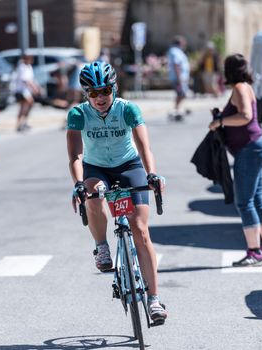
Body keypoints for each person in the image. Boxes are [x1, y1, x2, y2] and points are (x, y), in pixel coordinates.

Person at [66, 60, 168, 324]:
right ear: (85, 94)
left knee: (140, 230)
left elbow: (144, 147)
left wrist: (152, 174)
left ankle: (154, 299)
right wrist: (78, 183)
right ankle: (101, 246)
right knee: (94, 192)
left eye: (105, 91)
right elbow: (76, 155)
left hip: (128, 166)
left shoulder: (128, 110)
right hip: (96, 168)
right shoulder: (78, 114)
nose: (100, 98)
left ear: (114, 88)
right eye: (93, 93)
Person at [209, 54, 262, 266]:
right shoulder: (246, 87)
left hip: (249, 149)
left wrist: (220, 121)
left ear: (229, 71)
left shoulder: (240, 87)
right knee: (257, 198)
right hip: (256, 146)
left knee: (245, 201)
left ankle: (255, 252)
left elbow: (246, 116)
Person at [14, 53, 41, 132]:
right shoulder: (22, 67)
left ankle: (23, 122)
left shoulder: (29, 67)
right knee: (26, 105)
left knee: (25, 106)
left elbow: (31, 79)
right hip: (21, 90)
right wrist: (35, 89)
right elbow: (26, 80)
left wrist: (37, 87)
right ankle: (20, 123)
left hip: (26, 91)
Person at [167, 35, 190, 119]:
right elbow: (176, 64)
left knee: (181, 94)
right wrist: (179, 78)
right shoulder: (174, 51)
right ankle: (175, 110)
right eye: (183, 42)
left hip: (181, 78)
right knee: (181, 94)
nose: (185, 44)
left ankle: (177, 109)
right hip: (178, 78)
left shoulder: (177, 51)